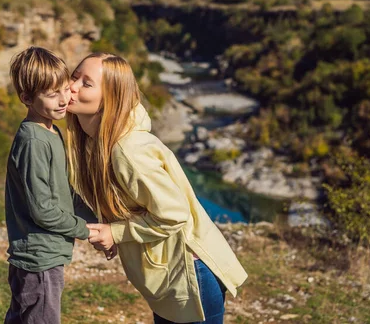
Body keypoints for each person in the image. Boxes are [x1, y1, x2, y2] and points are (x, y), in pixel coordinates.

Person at [66, 53, 248, 324]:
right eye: (74, 76)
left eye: (86, 83)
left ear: (110, 100)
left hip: (190, 275)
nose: (72, 86)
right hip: (173, 277)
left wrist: (116, 233)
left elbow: (175, 214)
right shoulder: (98, 143)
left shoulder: (127, 151)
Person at [4, 47, 97, 324]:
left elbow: (64, 192)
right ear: (27, 98)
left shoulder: (51, 131)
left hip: (42, 257)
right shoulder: (33, 142)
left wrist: (96, 222)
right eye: (50, 94)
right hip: (39, 260)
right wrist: (83, 230)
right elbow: (42, 210)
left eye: (63, 89)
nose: (62, 100)